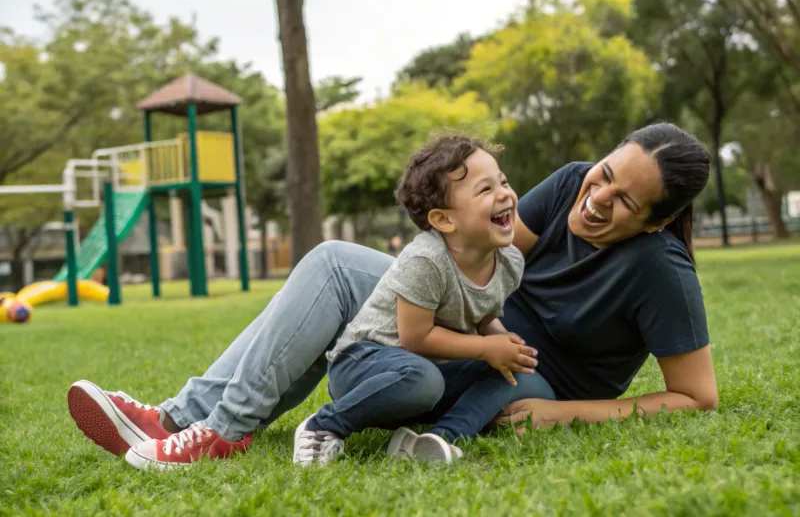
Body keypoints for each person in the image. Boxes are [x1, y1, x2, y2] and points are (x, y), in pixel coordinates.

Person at [67, 122, 718, 469]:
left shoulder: (660, 269)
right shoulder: (572, 182)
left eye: (625, 199)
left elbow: (695, 397)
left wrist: (565, 415)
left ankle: (211, 429)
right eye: (606, 174)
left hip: (527, 383)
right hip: (473, 333)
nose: (597, 197)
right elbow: (484, 251)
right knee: (333, 267)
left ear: (656, 220)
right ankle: (183, 419)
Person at [292, 136, 537, 467]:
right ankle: (324, 426)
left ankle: (438, 439)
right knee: (423, 379)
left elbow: (481, 315)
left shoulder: (509, 261)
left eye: (503, 182)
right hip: (364, 365)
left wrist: (500, 342)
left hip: (427, 376)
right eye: (485, 190)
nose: (504, 194)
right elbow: (415, 338)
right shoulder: (426, 259)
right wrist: (485, 349)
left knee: (525, 377)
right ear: (444, 220)